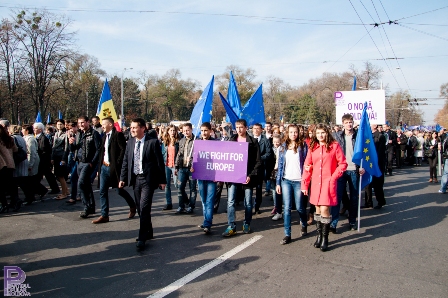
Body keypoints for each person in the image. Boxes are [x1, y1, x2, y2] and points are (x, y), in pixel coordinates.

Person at [119, 118, 166, 251]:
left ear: (142, 128)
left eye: (134, 127)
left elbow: (159, 163)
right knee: (140, 208)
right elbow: (126, 161)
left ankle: (142, 237)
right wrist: (122, 177)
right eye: (131, 127)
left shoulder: (152, 142)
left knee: (144, 207)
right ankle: (149, 231)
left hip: (148, 180)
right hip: (135, 179)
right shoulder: (130, 142)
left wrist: (162, 180)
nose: (132, 130)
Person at [301, 124, 347, 251]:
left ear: (327, 133)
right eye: (318, 133)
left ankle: (325, 238)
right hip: (315, 183)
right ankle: (319, 236)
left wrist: (333, 177)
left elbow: (343, 164)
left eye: (323, 132)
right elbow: (307, 166)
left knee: (325, 209)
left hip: (328, 183)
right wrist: (304, 184)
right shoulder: (312, 147)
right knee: (317, 210)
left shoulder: (334, 146)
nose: (320, 135)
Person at [92, 117, 137, 224]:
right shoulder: (104, 136)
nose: (102, 126)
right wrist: (99, 167)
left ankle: (132, 205)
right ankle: (104, 215)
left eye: (104, 124)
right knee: (102, 191)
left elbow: (123, 150)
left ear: (110, 125)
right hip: (104, 167)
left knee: (119, 190)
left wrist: (116, 163)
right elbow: (102, 152)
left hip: (114, 169)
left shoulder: (118, 135)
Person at [222, 119, 261, 237]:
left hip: (247, 177)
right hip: (233, 177)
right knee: (230, 202)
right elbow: (225, 158)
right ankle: (231, 226)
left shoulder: (253, 142)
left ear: (246, 128)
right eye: (237, 127)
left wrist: (250, 175)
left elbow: (258, 161)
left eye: (241, 127)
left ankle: (247, 223)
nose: (239, 130)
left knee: (248, 202)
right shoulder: (231, 140)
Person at [276, 124, 308, 244]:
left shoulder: (303, 146)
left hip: (299, 181)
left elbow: (306, 163)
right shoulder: (283, 147)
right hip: (286, 180)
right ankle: (287, 234)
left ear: (298, 133)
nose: (293, 134)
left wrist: (306, 180)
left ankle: (304, 224)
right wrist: (278, 183)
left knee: (300, 207)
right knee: (287, 208)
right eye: (291, 132)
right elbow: (280, 166)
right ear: (287, 133)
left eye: (295, 132)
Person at [333, 114, 366, 232]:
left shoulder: (359, 136)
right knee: (337, 196)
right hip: (341, 170)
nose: (349, 124)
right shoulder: (336, 136)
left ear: (353, 123)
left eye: (350, 122)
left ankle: (352, 221)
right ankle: (334, 223)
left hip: (354, 170)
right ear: (343, 124)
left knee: (354, 198)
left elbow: (365, 153)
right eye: (346, 122)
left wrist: (363, 167)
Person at [69, 116, 102, 218]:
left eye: (83, 122)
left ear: (88, 122)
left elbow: (99, 149)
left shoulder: (94, 134)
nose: (81, 125)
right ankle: (91, 207)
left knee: (81, 183)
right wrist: (71, 143)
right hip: (80, 162)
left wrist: (92, 162)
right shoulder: (79, 133)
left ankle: (86, 207)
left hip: (88, 163)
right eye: (79, 123)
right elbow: (75, 147)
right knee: (86, 184)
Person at [192, 122, 217, 234]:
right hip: (201, 175)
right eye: (202, 131)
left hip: (212, 176)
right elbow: (195, 159)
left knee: (210, 200)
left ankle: (207, 223)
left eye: (206, 130)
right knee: (203, 199)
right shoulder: (197, 143)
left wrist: (219, 176)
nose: (204, 133)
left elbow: (220, 160)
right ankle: (206, 219)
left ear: (210, 131)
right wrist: (192, 167)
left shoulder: (216, 143)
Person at [174, 123, 197, 214]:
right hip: (182, 168)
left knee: (192, 188)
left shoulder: (196, 140)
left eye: (187, 130)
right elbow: (179, 153)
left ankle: (191, 206)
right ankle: (181, 206)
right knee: (180, 187)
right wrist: (176, 166)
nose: (186, 132)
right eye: (184, 131)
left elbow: (199, 155)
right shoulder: (181, 141)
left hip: (191, 169)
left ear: (191, 130)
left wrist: (193, 164)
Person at [363, 124, 387, 209]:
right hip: (368, 162)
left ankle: (380, 201)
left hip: (377, 164)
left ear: (375, 126)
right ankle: (368, 202)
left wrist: (375, 162)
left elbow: (380, 152)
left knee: (377, 184)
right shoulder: (366, 136)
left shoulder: (380, 136)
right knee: (367, 183)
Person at [34, 122, 60, 195]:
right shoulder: (37, 137)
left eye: (36, 128)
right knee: (46, 175)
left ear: (40, 129)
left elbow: (44, 149)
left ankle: (49, 189)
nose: (34, 130)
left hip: (43, 160)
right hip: (42, 160)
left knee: (46, 175)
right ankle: (52, 188)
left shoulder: (43, 138)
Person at [252, 123, 273, 213]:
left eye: (258, 129)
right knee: (248, 188)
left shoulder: (265, 140)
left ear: (261, 130)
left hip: (260, 167)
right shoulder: (249, 139)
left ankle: (257, 206)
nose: (256, 130)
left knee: (259, 187)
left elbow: (269, 153)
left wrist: (259, 159)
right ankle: (248, 206)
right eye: (254, 128)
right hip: (250, 168)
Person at [161, 124, 179, 210]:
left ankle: (184, 199)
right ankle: (169, 203)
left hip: (175, 166)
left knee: (177, 184)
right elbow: (162, 154)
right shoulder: (165, 142)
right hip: (166, 165)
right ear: (168, 131)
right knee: (167, 185)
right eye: (171, 130)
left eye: (173, 130)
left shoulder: (178, 142)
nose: (172, 132)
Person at [0, 124, 18, 213]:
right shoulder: (9, 139)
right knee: (10, 185)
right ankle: (15, 202)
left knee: (1, 187)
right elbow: (16, 150)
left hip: (2, 165)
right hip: (11, 164)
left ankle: (4, 204)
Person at [22, 125, 41, 205]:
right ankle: (41, 191)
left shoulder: (30, 139)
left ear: (27, 130)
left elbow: (31, 152)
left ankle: (31, 196)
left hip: (32, 160)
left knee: (30, 179)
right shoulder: (25, 138)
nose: (22, 131)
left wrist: (30, 164)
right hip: (29, 159)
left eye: (23, 129)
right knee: (31, 179)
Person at [51, 119, 70, 200]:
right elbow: (53, 147)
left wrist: (64, 159)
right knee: (58, 176)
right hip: (55, 156)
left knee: (61, 175)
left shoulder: (66, 134)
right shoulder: (55, 134)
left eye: (61, 124)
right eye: (58, 124)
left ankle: (64, 193)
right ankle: (66, 190)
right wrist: (52, 157)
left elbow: (66, 148)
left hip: (61, 156)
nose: (59, 126)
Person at [271, 134, 283, 221]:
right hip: (275, 172)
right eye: (274, 142)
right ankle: (278, 211)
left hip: (281, 172)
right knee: (277, 192)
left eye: (278, 142)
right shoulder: (272, 148)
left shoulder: (282, 148)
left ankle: (282, 211)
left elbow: (279, 162)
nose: (276, 143)